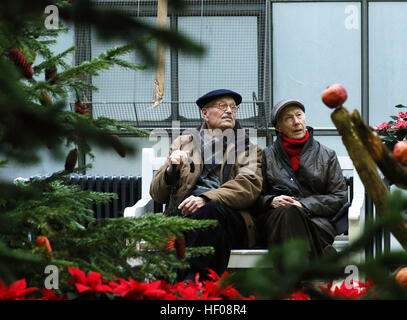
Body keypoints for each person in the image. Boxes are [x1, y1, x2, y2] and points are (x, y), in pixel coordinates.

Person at [150, 89, 263, 280]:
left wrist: (205, 198)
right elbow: (157, 195)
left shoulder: (248, 148)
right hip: (186, 216)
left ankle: (188, 281)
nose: (229, 111)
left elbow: (248, 186)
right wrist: (171, 170)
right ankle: (202, 284)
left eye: (233, 107)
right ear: (205, 113)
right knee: (212, 229)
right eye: (222, 106)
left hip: (231, 216)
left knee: (209, 211)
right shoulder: (183, 143)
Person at [257, 99, 347, 257]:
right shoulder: (267, 155)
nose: (296, 122)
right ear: (278, 127)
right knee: (287, 213)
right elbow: (256, 195)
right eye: (288, 118)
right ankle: (322, 257)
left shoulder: (326, 154)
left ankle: (293, 281)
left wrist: (303, 205)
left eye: (299, 115)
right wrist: (271, 200)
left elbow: (338, 196)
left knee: (291, 213)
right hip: (277, 220)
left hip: (316, 222)